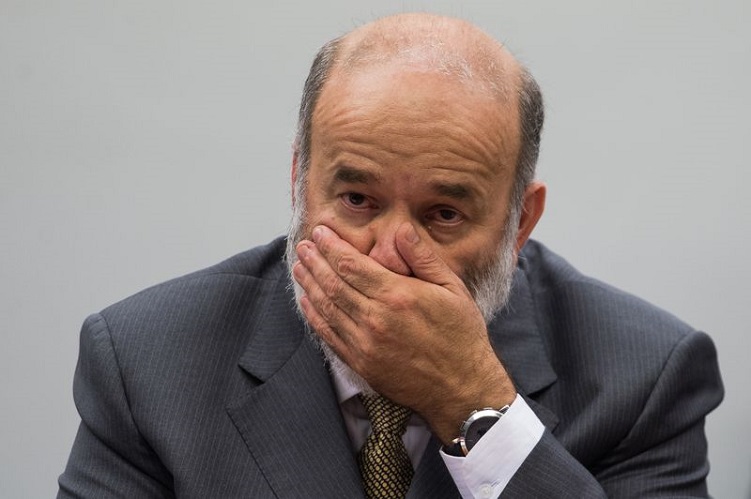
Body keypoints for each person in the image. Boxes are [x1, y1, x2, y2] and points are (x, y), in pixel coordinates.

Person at [58, 12, 723, 499]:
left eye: (443, 214)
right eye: (356, 200)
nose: (389, 256)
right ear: (299, 184)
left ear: (518, 223)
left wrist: (472, 402)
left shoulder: (644, 378)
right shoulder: (147, 361)